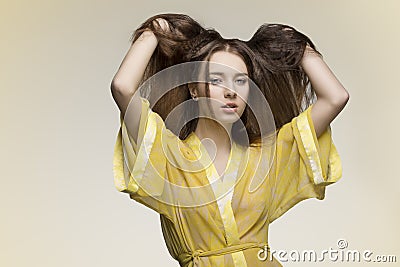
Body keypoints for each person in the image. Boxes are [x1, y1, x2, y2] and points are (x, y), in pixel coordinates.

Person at [110, 13, 349, 267]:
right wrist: (155, 30)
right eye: (216, 80)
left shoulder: (268, 156)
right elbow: (123, 87)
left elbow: (335, 97)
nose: (230, 91)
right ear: (194, 89)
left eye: (240, 81)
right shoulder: (168, 157)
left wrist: (295, 46)